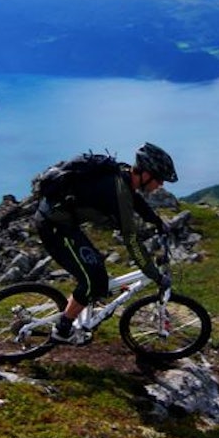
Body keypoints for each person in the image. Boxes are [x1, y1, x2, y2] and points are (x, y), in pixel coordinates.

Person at [34, 142, 178, 343]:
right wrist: (155, 275)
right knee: (93, 280)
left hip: (62, 220)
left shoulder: (123, 175)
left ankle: (76, 307)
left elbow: (135, 200)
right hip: (54, 226)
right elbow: (131, 240)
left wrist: (156, 221)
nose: (161, 185)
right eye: (159, 179)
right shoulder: (119, 190)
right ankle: (63, 329)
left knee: (97, 272)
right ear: (145, 175)